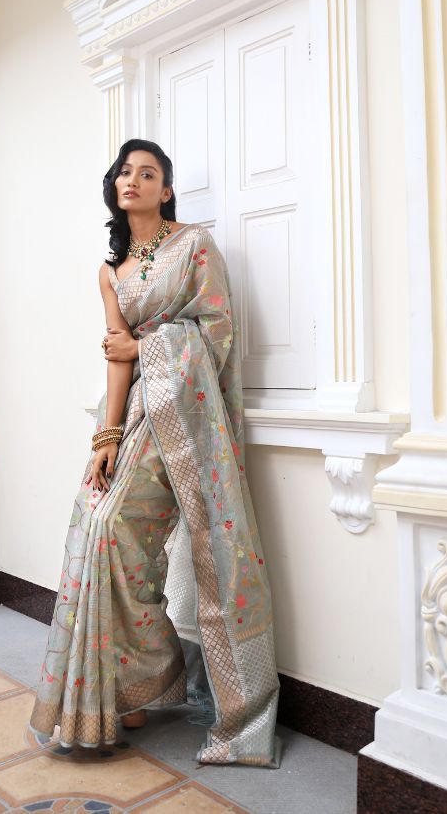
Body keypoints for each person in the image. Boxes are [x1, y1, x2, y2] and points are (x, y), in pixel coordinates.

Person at [29, 138, 280, 767]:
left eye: (147, 174)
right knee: (99, 530)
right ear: (114, 186)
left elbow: (217, 333)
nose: (133, 180)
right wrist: (106, 438)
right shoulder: (110, 270)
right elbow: (116, 357)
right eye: (124, 172)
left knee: (153, 536)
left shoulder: (194, 246)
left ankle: (231, 705)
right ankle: (132, 687)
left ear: (166, 190)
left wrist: (146, 349)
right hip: (137, 414)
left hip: (188, 418)